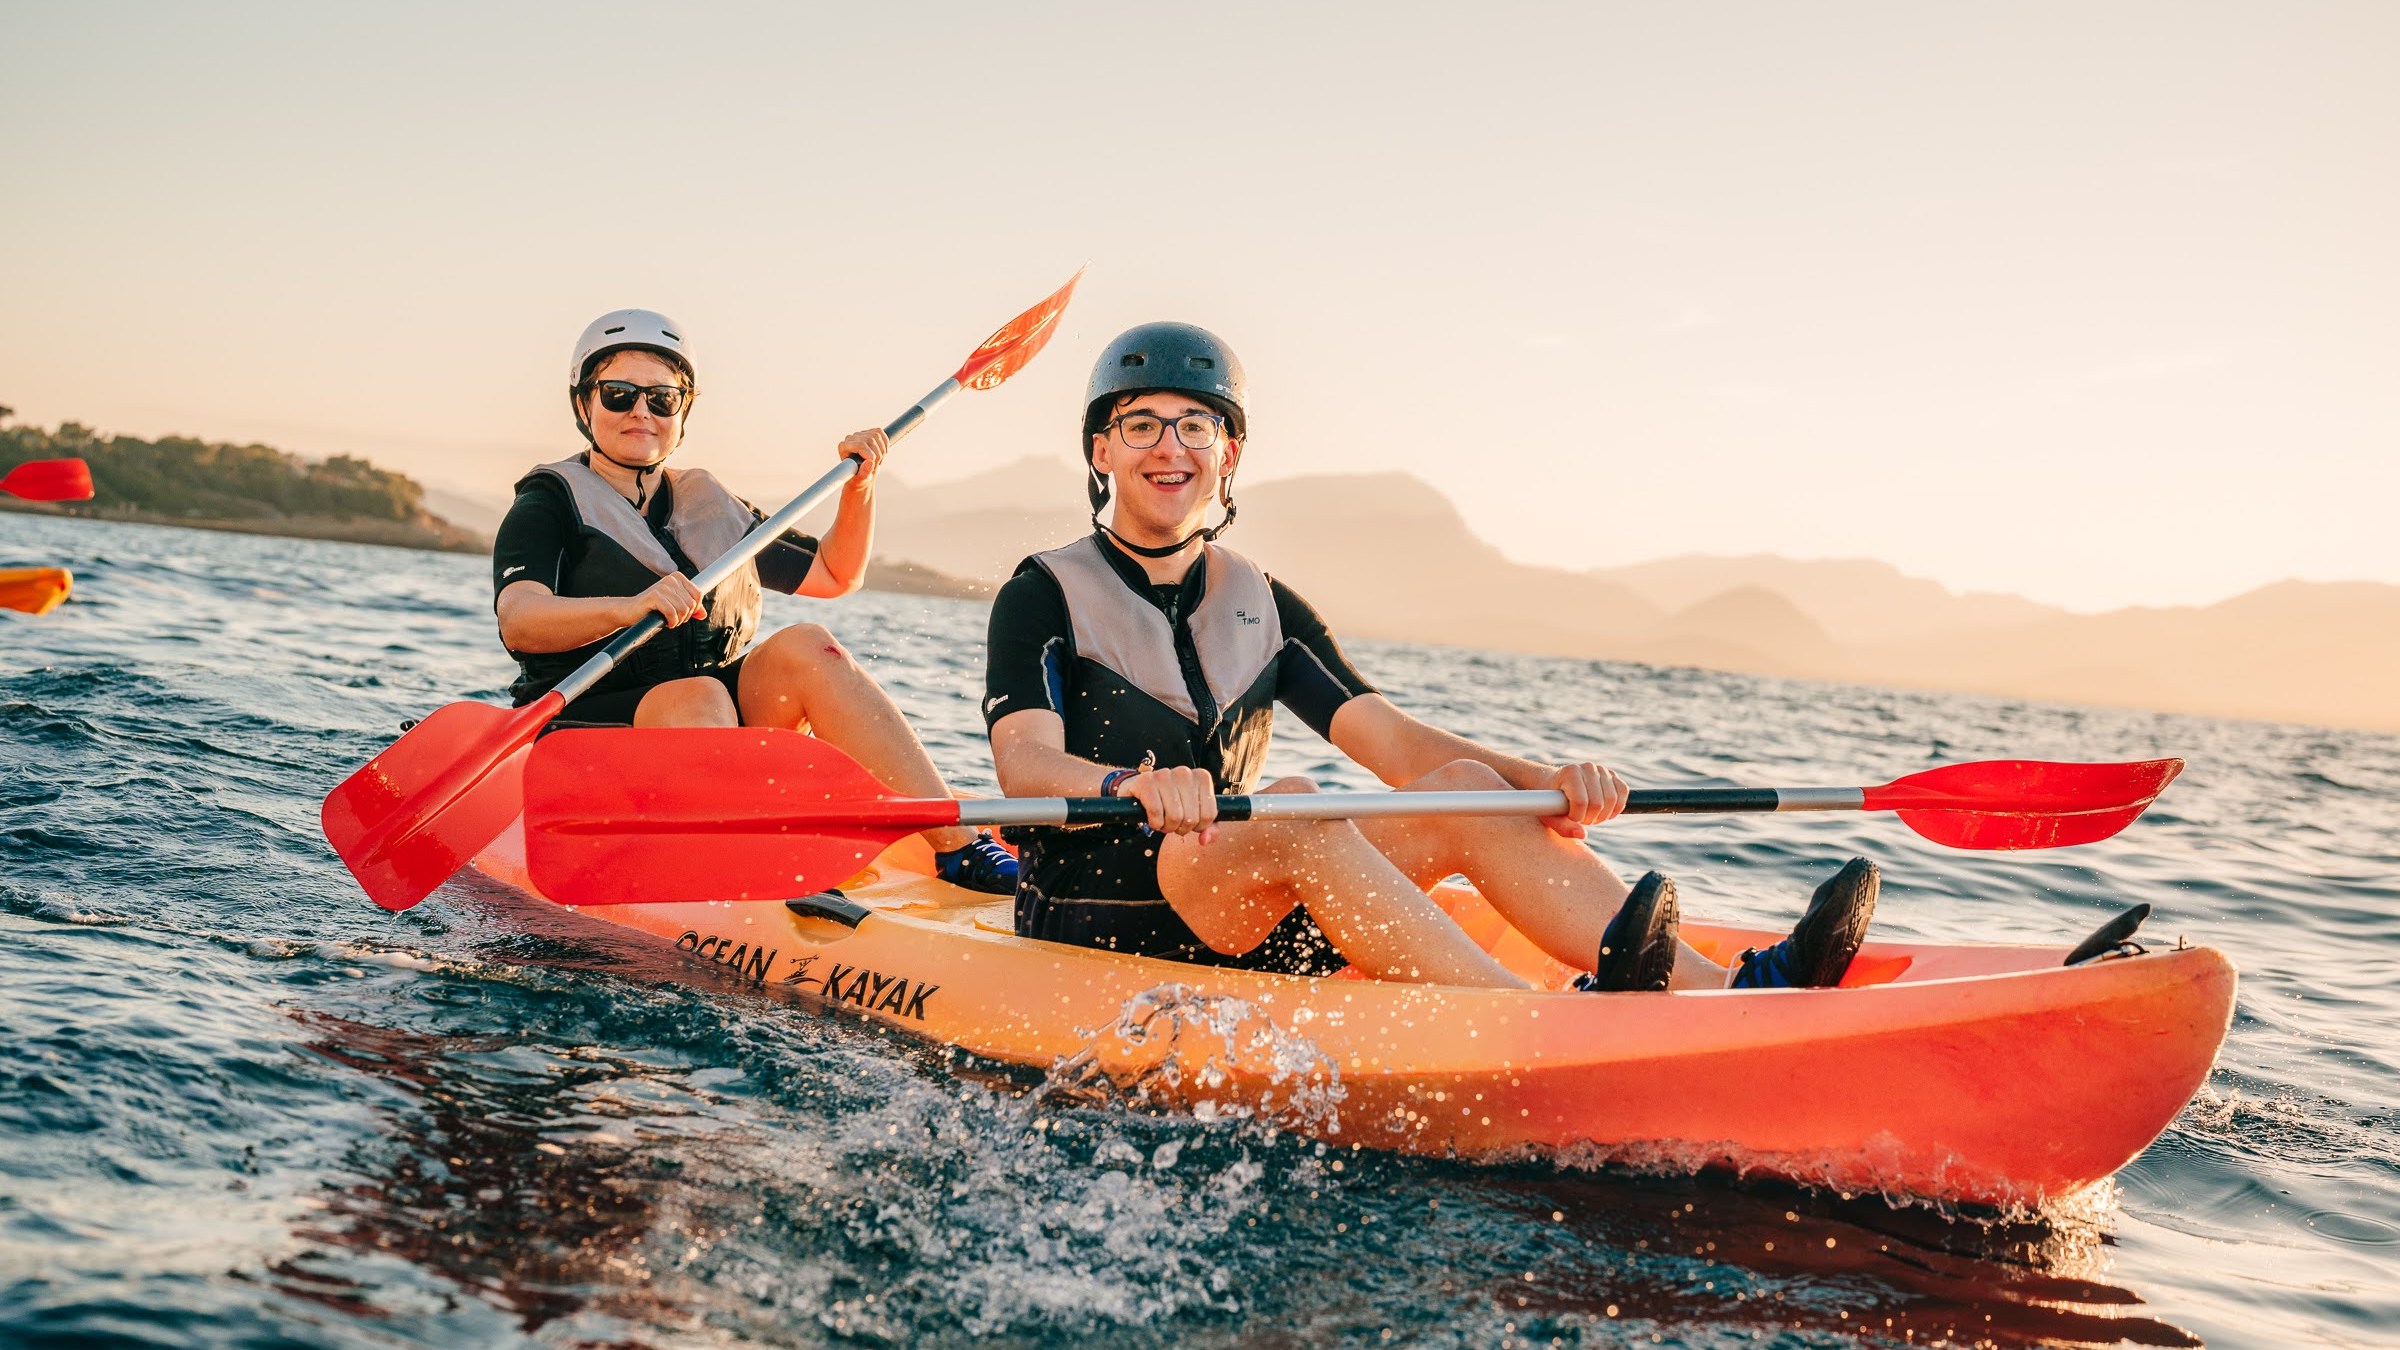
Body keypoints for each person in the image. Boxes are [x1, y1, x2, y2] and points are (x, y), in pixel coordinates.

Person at [981, 321, 1877, 989]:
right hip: (1102, 923)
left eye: (1196, 426)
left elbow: (1404, 750)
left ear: (1230, 453)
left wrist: (1553, 787)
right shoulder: (1042, 593)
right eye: (1141, 425)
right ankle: (1531, 1020)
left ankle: (1734, 993)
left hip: (1246, 919)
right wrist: (1128, 785)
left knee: (1473, 791)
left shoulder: (1264, 604)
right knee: (1290, 805)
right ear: (1102, 450)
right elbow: (1022, 765)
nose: (1169, 448)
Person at [493, 308, 1017, 894]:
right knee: (697, 694)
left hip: (707, 725)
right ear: (585, 405)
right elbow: (520, 620)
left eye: (661, 399)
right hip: (585, 732)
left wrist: (861, 488)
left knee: (804, 645)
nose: (641, 411)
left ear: (681, 413)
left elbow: (834, 574)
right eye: (618, 394)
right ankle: (749, 866)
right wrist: (628, 607)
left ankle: (958, 848)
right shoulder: (547, 504)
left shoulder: (710, 504)